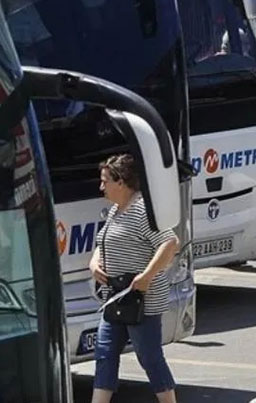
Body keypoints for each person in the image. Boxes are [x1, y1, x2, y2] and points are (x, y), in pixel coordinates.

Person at [90, 155, 180, 403]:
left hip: (142, 300)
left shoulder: (142, 210)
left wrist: (146, 277)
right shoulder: (116, 211)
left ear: (121, 182)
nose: (101, 187)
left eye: (104, 181)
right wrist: (94, 261)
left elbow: (170, 242)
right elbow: (102, 242)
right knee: (105, 352)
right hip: (116, 296)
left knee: (149, 356)